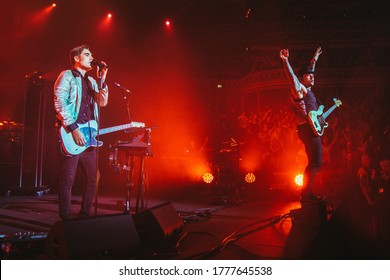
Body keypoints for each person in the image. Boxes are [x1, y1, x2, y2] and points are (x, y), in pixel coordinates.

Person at [54, 45, 109, 220]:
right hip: (71, 133)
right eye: (87, 54)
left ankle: (85, 216)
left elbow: (102, 102)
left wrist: (102, 80)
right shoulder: (67, 76)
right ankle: (65, 219)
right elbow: (59, 102)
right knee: (68, 177)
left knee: (94, 177)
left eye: (91, 54)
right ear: (77, 58)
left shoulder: (92, 81)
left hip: (88, 136)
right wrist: (73, 128)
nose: (92, 57)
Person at [279, 46, 324, 204]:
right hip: (306, 128)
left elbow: (310, 70)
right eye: (308, 76)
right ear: (301, 78)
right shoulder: (300, 90)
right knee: (315, 162)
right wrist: (286, 62)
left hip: (311, 128)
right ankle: (306, 195)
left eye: (313, 76)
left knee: (316, 162)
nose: (312, 77)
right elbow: (292, 78)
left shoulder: (309, 89)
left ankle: (307, 194)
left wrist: (314, 59)